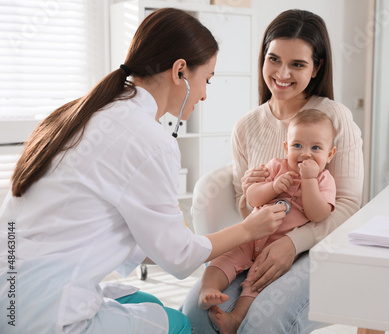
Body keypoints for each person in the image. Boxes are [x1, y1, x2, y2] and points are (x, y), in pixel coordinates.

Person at [0, 8, 287, 334]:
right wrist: (250, 229)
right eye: (206, 80)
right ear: (180, 71)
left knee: (142, 298)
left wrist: (169, 233)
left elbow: (119, 229)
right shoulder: (148, 139)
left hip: (9, 293)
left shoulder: (80, 113)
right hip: (43, 312)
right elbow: (179, 258)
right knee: (180, 323)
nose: (205, 94)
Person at [182, 8, 368, 334]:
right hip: (259, 243)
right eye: (274, 59)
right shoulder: (247, 126)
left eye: (297, 64)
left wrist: (294, 243)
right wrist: (252, 187)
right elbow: (245, 206)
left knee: (264, 320)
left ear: (317, 67)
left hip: (317, 250)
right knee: (195, 314)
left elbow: (349, 208)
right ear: (263, 58)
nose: (282, 73)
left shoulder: (334, 118)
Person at [198, 109, 337, 333]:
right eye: (297, 146)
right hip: (250, 235)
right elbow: (252, 197)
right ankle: (208, 290)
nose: (305, 154)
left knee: (257, 283)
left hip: (275, 249)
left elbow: (318, 214)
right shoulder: (275, 166)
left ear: (330, 154)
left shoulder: (323, 179)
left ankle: (235, 319)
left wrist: (309, 180)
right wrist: (272, 187)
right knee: (222, 259)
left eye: (316, 148)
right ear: (286, 147)